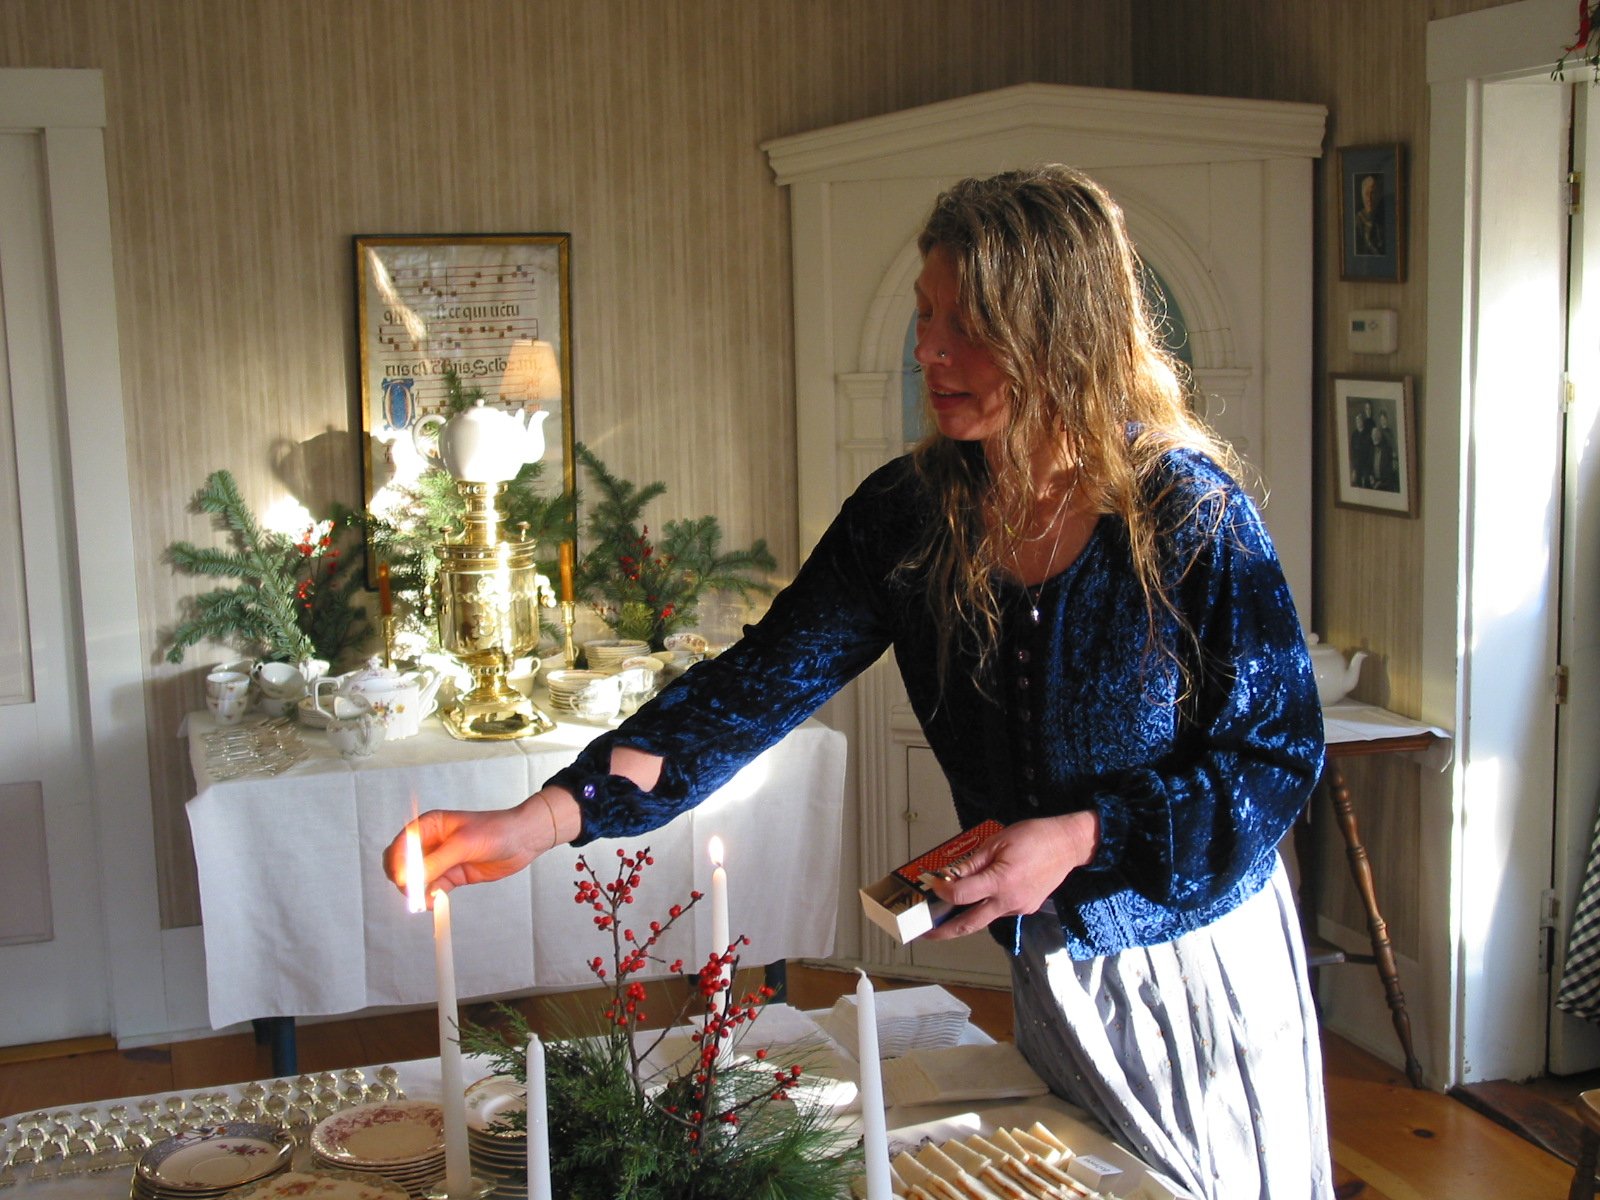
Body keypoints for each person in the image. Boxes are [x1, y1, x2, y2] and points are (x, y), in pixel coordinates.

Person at [385, 165, 1331, 1199]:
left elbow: (1275, 760)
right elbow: (752, 688)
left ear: (1058, 334)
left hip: (1196, 966)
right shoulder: (909, 517)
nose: (927, 350)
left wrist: (1079, 837)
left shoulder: (1187, 515)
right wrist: (543, 819)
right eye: (926, 316)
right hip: (1052, 973)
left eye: (966, 325)